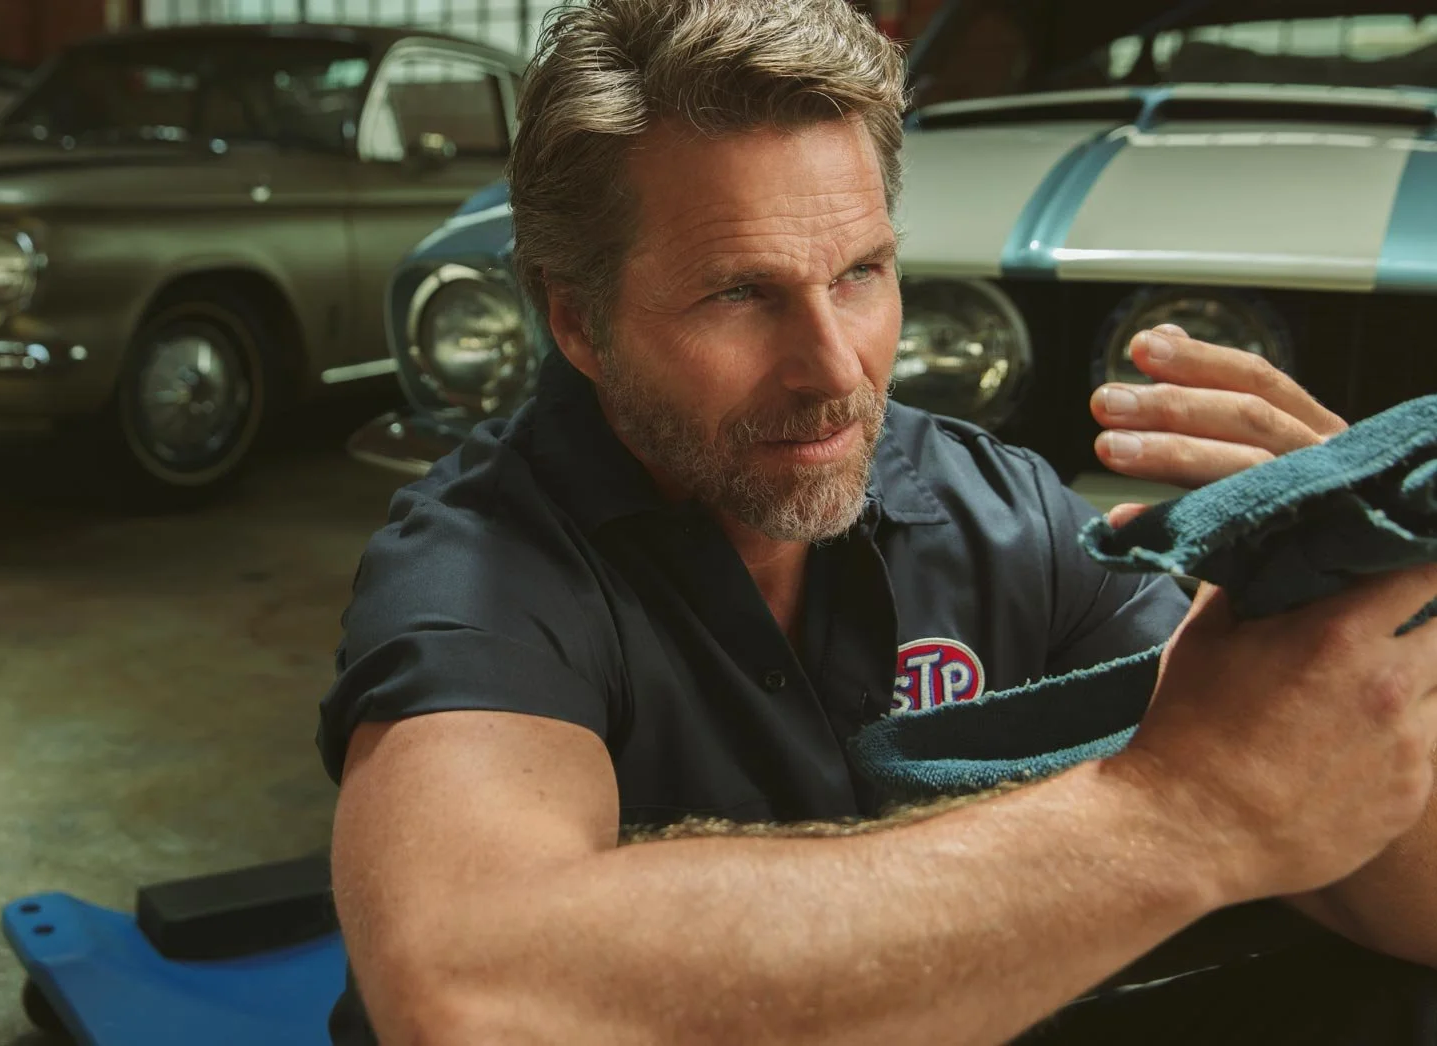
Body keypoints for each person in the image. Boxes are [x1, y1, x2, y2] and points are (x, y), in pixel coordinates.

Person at [315, 1, 1437, 1042]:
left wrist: (1350, 619)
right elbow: (469, 989)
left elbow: (1379, 875)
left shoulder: (1000, 514)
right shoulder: (477, 563)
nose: (836, 369)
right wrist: (1183, 815)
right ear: (577, 319)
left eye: (860, 273)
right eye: (740, 293)